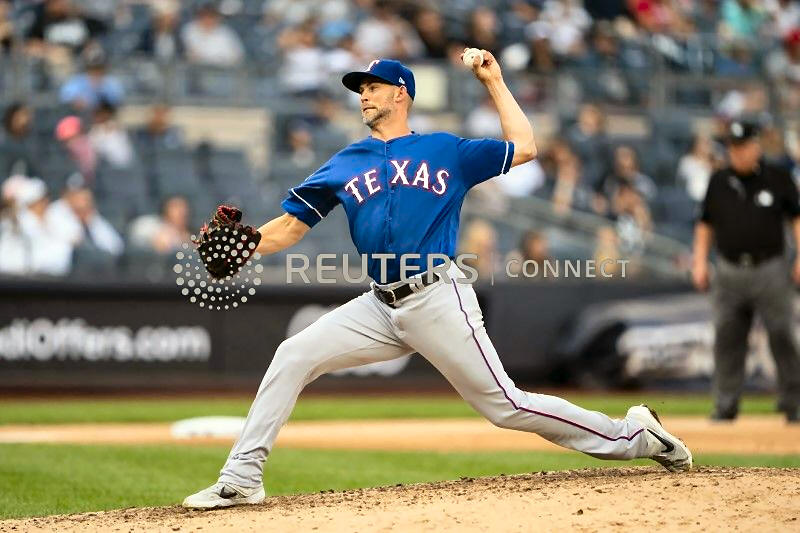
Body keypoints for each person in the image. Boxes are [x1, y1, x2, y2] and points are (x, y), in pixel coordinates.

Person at [183, 54, 691, 509]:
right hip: (380, 306)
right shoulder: (346, 162)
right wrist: (248, 243)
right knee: (292, 354)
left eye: (374, 87)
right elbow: (291, 227)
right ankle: (241, 480)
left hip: (437, 296)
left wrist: (493, 82)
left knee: (506, 406)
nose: (364, 95)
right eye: (360, 88)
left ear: (401, 94)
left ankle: (636, 436)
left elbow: (525, 146)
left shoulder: (445, 149)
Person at [692, 120, 800, 422]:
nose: (737, 152)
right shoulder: (718, 181)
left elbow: (796, 219)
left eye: (742, 146)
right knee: (727, 337)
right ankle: (725, 404)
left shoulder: (778, 178)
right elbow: (705, 224)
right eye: (733, 147)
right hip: (729, 269)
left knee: (782, 333)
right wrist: (699, 261)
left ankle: (794, 402)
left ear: (756, 146)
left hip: (771, 268)